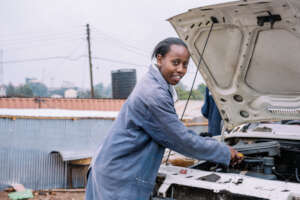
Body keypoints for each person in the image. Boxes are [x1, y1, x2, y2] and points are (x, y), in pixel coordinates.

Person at [85, 37, 242, 200]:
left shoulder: (155, 83)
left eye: (185, 64)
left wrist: (213, 144)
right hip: (119, 177)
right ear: (160, 59)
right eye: (175, 62)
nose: (181, 69)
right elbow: (180, 139)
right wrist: (223, 152)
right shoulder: (153, 94)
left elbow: (177, 132)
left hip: (116, 168)